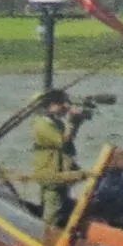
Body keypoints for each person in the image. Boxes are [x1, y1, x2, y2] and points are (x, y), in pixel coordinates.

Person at [29, 90, 93, 230]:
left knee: (60, 205)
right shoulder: (42, 124)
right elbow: (62, 142)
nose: (65, 107)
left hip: (60, 171)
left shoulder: (56, 123)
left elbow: (68, 142)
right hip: (50, 172)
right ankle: (46, 236)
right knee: (53, 209)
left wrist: (76, 123)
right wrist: (71, 122)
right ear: (52, 105)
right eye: (62, 103)